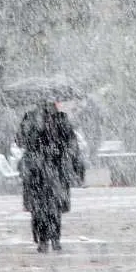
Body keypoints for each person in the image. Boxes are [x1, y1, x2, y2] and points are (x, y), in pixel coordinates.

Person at [16, 100, 86, 252]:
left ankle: (50, 239)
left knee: (50, 207)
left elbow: (70, 142)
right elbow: (20, 140)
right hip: (41, 170)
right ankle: (47, 239)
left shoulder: (59, 119)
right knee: (44, 208)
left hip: (51, 169)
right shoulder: (32, 118)